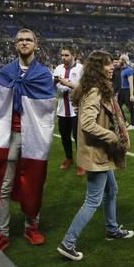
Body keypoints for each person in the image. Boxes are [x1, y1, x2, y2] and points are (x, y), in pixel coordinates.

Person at [57, 51, 134, 261]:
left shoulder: (92, 88)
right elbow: (88, 124)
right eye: (107, 65)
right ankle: (68, 243)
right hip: (97, 152)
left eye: (112, 64)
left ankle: (112, 229)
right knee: (92, 200)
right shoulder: (95, 91)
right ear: (97, 68)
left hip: (99, 152)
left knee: (112, 190)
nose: (112, 67)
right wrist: (112, 135)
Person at [0, 29, 55, 252]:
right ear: (15, 45)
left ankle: (31, 227)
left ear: (36, 44)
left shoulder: (43, 74)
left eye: (28, 40)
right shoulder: (5, 73)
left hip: (33, 137)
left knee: (34, 181)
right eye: (20, 40)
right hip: (9, 137)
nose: (24, 43)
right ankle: (1, 231)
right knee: (3, 185)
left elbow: (46, 109)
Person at [53, 46, 84, 175]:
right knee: (64, 136)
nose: (63, 58)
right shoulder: (58, 68)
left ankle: (81, 163)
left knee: (78, 138)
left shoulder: (81, 69)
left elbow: (84, 87)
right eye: (62, 55)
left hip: (76, 109)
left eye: (66, 55)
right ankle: (69, 158)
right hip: (62, 109)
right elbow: (52, 86)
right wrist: (55, 82)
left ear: (73, 55)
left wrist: (67, 83)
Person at [117, 54, 134, 130]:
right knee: (118, 107)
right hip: (122, 90)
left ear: (123, 60)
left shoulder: (129, 70)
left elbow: (131, 83)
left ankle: (133, 124)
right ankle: (125, 121)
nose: (119, 61)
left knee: (130, 108)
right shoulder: (123, 69)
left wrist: (131, 95)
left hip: (127, 90)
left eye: (120, 59)